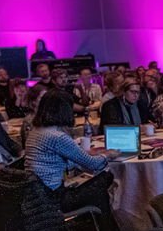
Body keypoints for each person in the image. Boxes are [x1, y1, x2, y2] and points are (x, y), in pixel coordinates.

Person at [24, 89, 114, 221]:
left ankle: (102, 229)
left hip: (39, 196)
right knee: (107, 177)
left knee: (96, 188)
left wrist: (87, 154)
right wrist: (110, 154)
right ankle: (108, 230)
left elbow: (56, 162)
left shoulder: (36, 131)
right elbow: (93, 164)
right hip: (55, 198)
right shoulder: (57, 136)